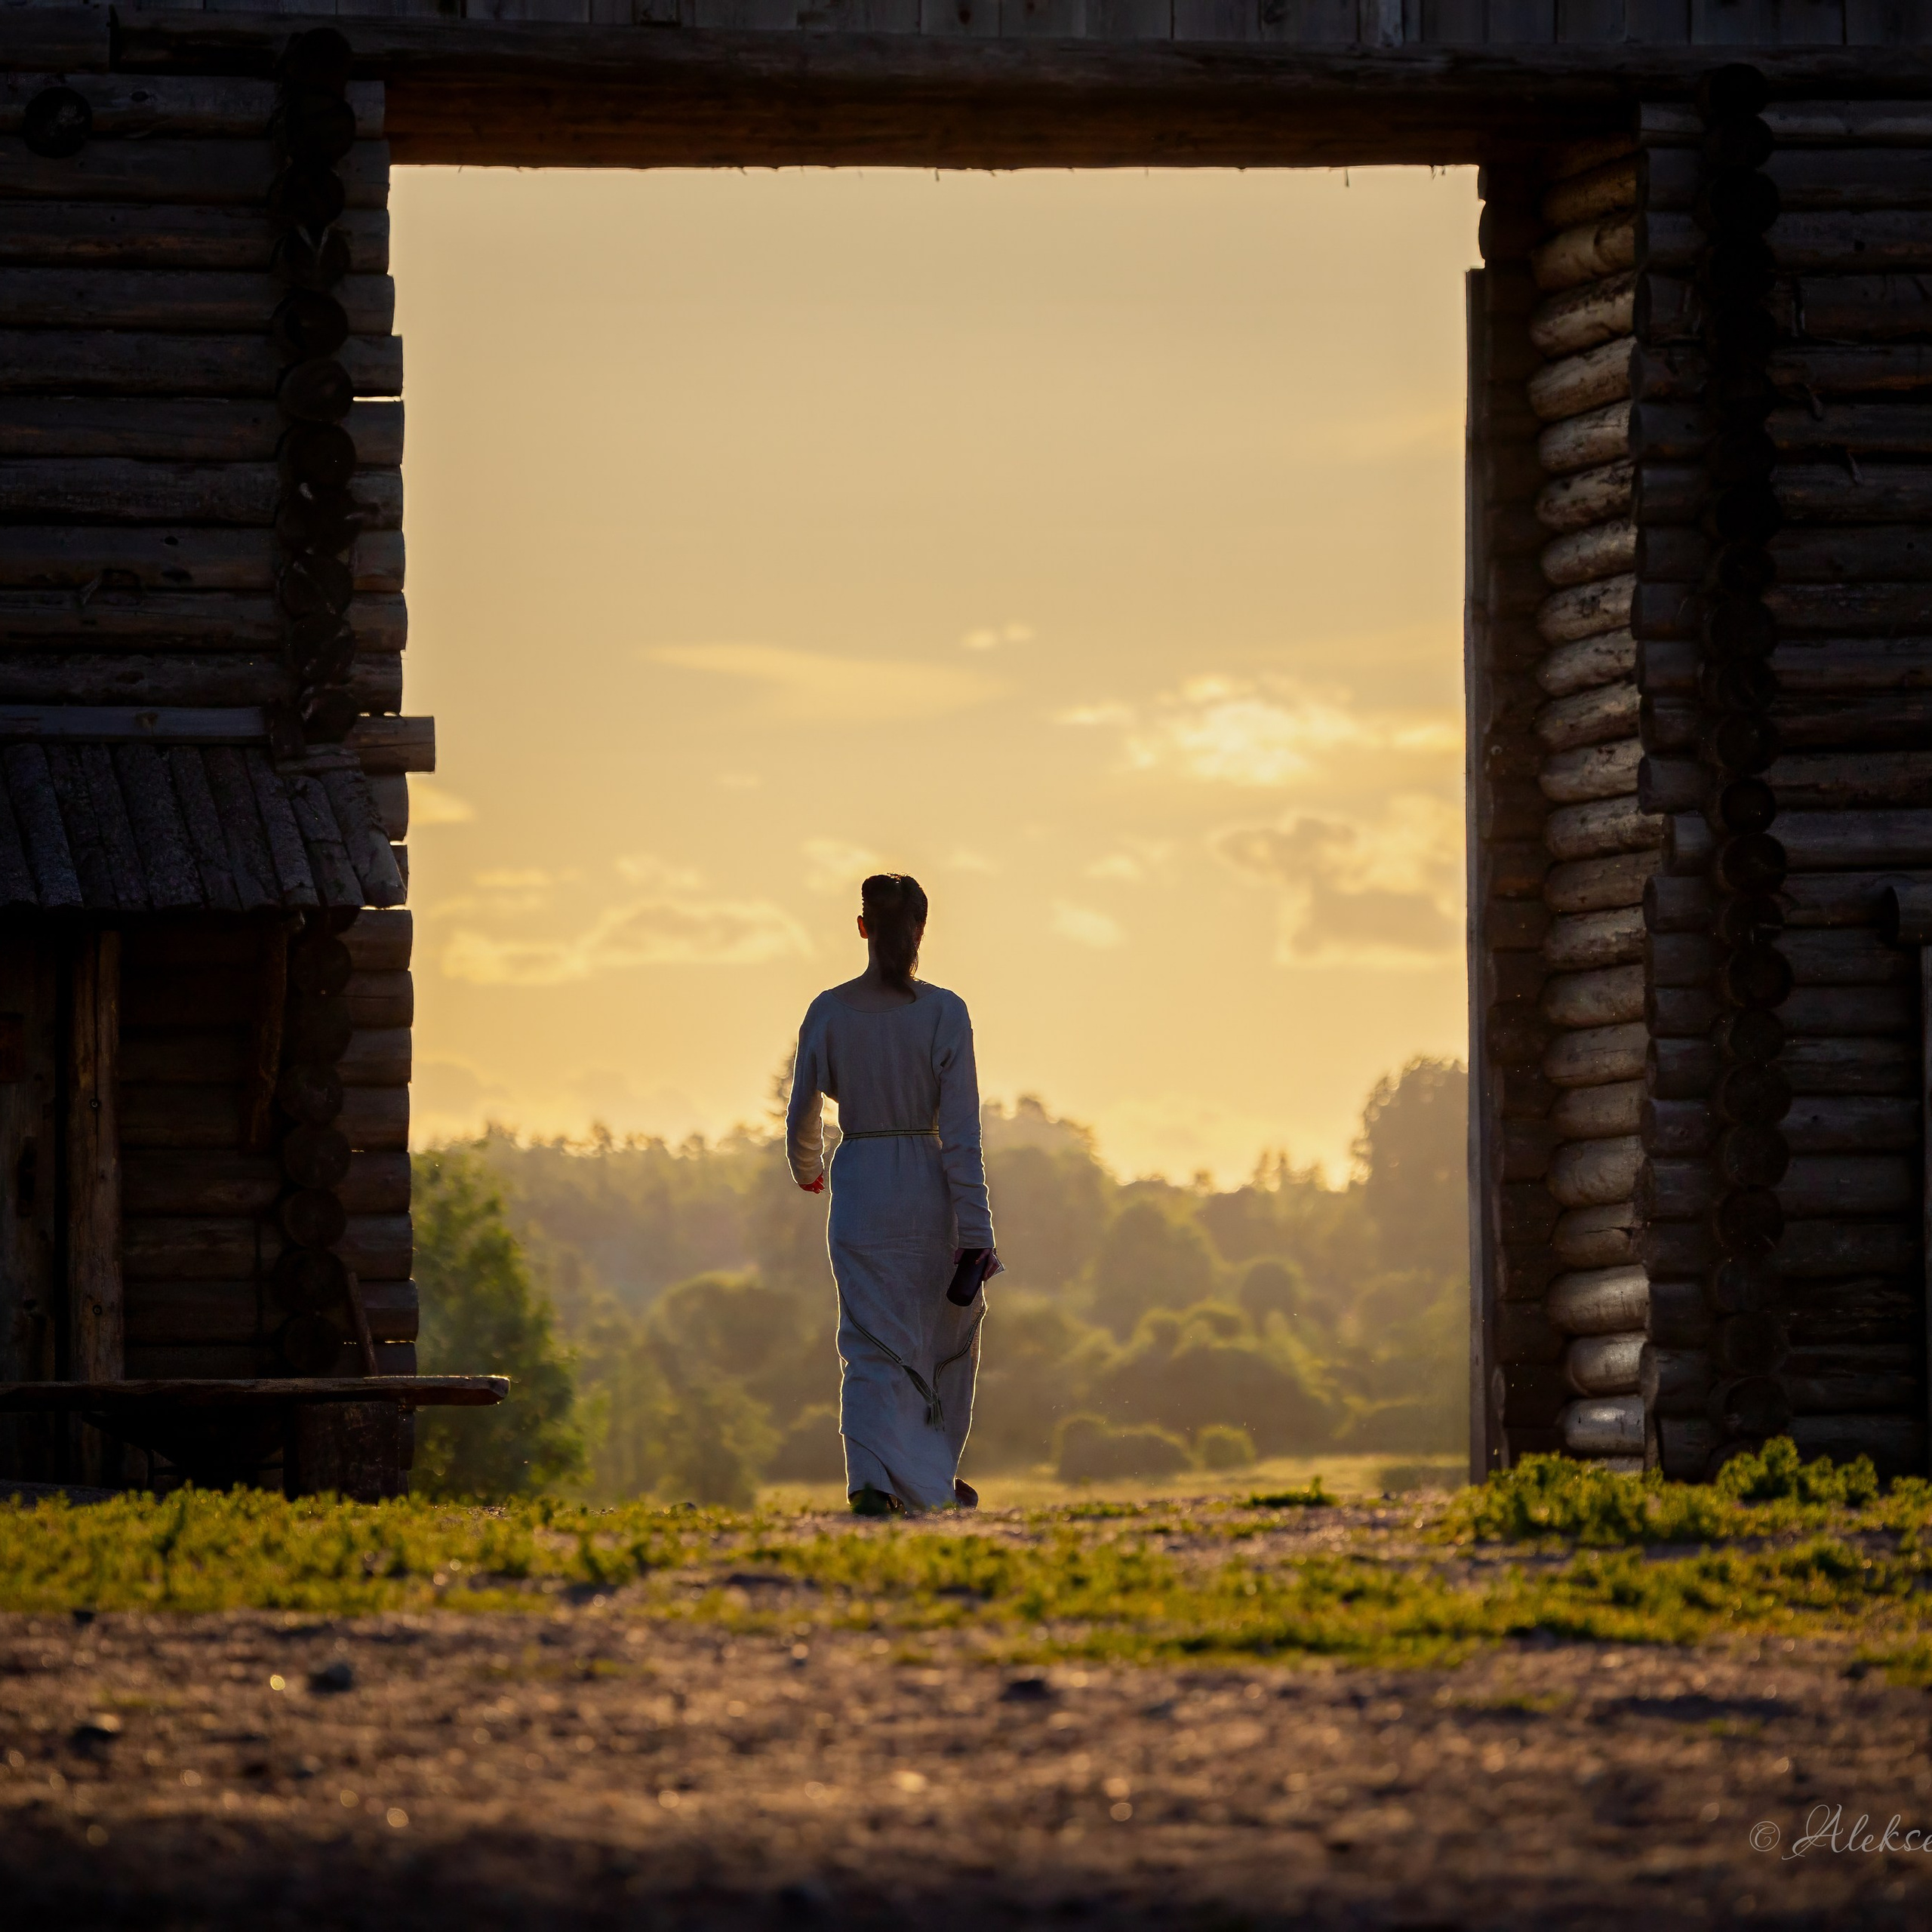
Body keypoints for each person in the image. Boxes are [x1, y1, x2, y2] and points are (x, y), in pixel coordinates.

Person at [786, 873, 1000, 1515]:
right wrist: (978, 1232)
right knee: (941, 1339)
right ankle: (926, 1477)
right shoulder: (945, 1013)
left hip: (859, 1186)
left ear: (862, 929)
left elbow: (802, 1113)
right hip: (928, 1192)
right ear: (921, 931)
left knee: (869, 1340)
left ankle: (874, 1483)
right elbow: (962, 1138)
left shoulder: (827, 1011)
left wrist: (808, 1168)